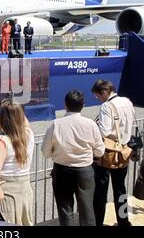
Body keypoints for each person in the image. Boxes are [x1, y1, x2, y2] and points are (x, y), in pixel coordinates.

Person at [42, 91, 105, 226]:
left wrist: (57, 153)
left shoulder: (55, 124)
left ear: (65, 105)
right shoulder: (90, 124)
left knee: (65, 210)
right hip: (85, 170)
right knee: (87, 209)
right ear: (83, 105)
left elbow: (45, 152)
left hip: (62, 170)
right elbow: (100, 151)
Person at [92, 79, 135, 226]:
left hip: (108, 152)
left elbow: (104, 130)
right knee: (120, 189)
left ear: (104, 92)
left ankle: (98, 222)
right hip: (124, 150)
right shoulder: (127, 102)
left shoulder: (106, 106)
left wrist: (93, 128)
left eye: (98, 96)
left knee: (100, 191)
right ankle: (123, 221)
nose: (98, 99)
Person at [0, 99, 35, 226]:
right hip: (25, 186)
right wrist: (16, 108)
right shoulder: (29, 133)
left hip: (7, 190)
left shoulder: (2, 140)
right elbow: (24, 122)